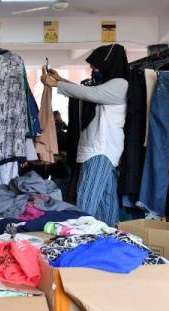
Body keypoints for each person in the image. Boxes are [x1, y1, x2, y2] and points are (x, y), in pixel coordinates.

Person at [41, 44, 129, 226]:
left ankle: (81, 237)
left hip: (100, 151)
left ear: (108, 64)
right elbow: (89, 94)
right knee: (107, 200)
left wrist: (57, 84)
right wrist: (61, 80)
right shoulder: (107, 86)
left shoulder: (120, 84)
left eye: (95, 65)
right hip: (99, 150)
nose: (92, 69)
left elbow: (91, 93)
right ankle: (110, 239)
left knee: (86, 198)